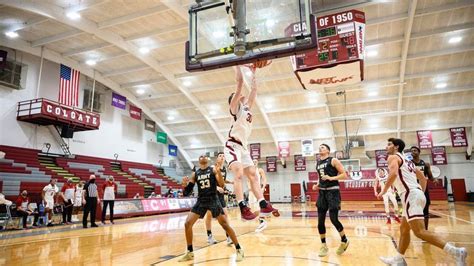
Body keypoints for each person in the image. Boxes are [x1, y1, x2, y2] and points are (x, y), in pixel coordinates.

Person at [378, 138, 467, 265]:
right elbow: (423, 179)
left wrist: (383, 191)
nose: (386, 147)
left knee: (419, 232)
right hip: (417, 194)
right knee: (404, 229)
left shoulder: (393, 157)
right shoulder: (409, 161)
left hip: (410, 195)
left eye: (389, 144)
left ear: (396, 147)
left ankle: (456, 252)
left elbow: (392, 175)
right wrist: (420, 194)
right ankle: (399, 259)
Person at [224, 63, 278, 220]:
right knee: (239, 173)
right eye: (237, 95)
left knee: (254, 175)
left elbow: (254, 90)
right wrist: (237, 65)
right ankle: (242, 207)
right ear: (234, 100)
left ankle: (263, 204)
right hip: (232, 145)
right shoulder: (235, 108)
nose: (241, 95)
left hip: (243, 147)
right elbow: (240, 83)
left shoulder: (247, 109)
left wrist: (254, 73)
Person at [179, 155, 244, 262]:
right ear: (198, 161)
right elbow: (186, 192)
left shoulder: (213, 169)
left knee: (225, 225)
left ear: (207, 160)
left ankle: (239, 249)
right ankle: (190, 252)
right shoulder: (195, 174)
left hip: (213, 199)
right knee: (187, 224)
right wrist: (184, 184)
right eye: (200, 156)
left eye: (204, 156)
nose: (202, 156)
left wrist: (218, 172)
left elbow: (222, 185)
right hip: (201, 201)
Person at [312, 144, 349, 257]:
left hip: (333, 192)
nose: (320, 148)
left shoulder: (333, 160)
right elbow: (321, 177)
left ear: (328, 150)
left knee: (334, 219)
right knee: (320, 222)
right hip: (322, 193)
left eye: (323, 147)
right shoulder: (317, 163)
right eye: (319, 147)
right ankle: (323, 246)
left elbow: (344, 175)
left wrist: (331, 178)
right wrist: (317, 185)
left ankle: (344, 240)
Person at [204, 152, 234, 245]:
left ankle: (228, 237)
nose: (222, 157)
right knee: (209, 215)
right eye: (220, 156)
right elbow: (208, 181)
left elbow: (222, 179)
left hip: (220, 195)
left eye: (223, 156)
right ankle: (209, 236)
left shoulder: (224, 169)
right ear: (217, 159)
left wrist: (230, 182)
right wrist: (216, 188)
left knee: (225, 215)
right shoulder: (213, 168)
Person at [410, 146, 437, 230]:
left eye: (415, 150)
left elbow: (430, 177)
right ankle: (415, 228)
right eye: (411, 151)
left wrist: (434, 180)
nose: (413, 152)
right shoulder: (409, 164)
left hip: (423, 189)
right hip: (413, 189)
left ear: (419, 152)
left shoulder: (426, 164)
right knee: (412, 209)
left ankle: (425, 229)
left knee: (425, 209)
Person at [250, 159, 268, 233]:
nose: (254, 163)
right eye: (253, 162)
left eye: (255, 162)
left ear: (257, 163)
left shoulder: (259, 170)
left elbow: (264, 179)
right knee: (252, 208)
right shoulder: (249, 171)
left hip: (258, 190)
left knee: (258, 206)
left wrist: (263, 188)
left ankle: (262, 222)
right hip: (251, 191)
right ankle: (261, 222)